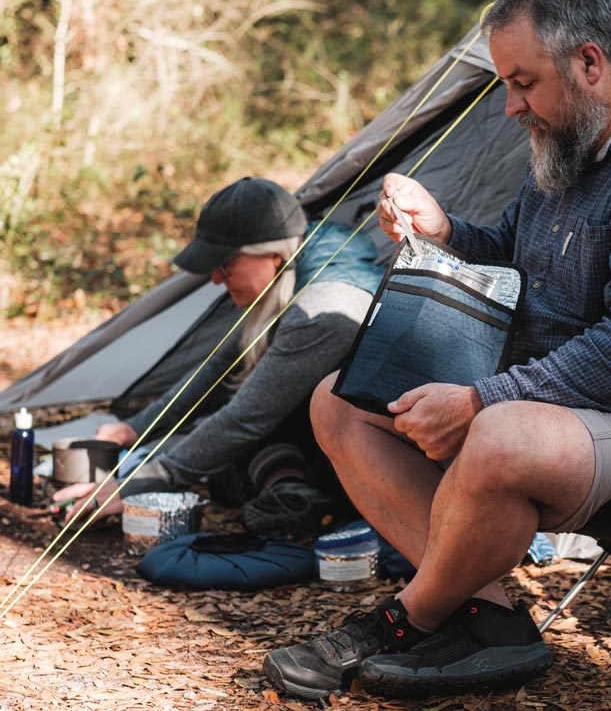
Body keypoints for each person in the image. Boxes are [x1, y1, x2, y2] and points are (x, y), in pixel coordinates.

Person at [263, 0, 611, 700]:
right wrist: (446, 231)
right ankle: (488, 619)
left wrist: (484, 398)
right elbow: (518, 262)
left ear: (588, 62)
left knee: (497, 435)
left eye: (523, 82)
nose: (510, 106)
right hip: (550, 398)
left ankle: (405, 620)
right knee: (339, 400)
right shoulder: (573, 138)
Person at [54, 176, 384, 538]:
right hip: (326, 428)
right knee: (215, 441)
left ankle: (308, 495)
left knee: (228, 447)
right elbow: (218, 364)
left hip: (380, 449)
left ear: (273, 255)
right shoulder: (296, 258)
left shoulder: (324, 307)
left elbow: (247, 418)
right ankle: (290, 490)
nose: (215, 279)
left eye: (224, 265)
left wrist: (140, 482)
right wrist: (137, 426)